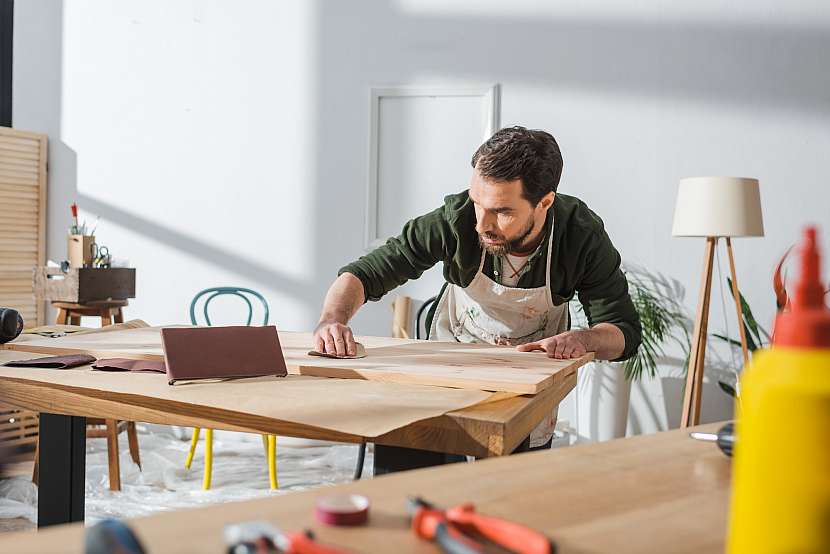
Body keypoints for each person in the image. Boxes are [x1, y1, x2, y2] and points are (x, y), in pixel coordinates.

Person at [314, 126, 641, 472]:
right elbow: (366, 273)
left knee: (511, 492)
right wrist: (332, 319)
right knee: (423, 469)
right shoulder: (456, 220)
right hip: (453, 361)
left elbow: (624, 331)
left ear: (544, 202)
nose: (482, 223)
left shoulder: (580, 235)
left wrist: (585, 339)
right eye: (477, 202)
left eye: (502, 211)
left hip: (529, 379)